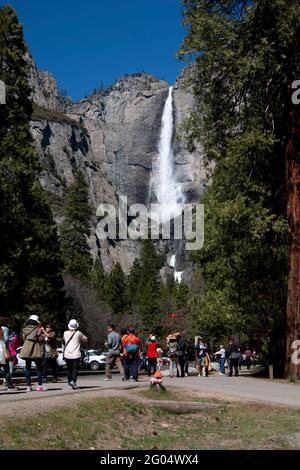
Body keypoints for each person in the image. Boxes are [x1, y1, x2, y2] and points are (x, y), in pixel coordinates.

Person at [19, 315, 46, 392]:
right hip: (35, 349)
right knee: (39, 368)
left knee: (28, 368)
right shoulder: (38, 329)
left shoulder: (25, 329)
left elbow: (23, 338)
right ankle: (39, 386)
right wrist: (43, 333)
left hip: (27, 349)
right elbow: (41, 339)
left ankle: (28, 386)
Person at [63, 319, 87, 389]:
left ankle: (69, 382)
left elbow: (64, 341)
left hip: (67, 353)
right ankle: (73, 381)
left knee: (69, 369)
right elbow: (85, 339)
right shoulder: (78, 333)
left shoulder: (65, 333)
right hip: (76, 354)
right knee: (75, 369)